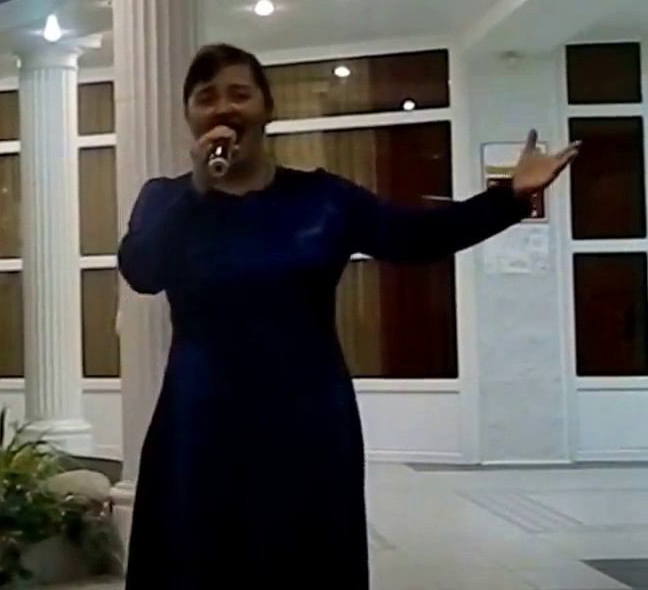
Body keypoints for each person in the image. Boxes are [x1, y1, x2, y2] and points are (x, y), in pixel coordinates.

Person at [117, 43, 578, 588]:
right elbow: (142, 269)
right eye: (206, 97)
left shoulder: (323, 199)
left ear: (268, 108)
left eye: (239, 94)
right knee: (196, 561)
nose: (224, 108)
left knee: (305, 562)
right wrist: (198, 190)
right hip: (199, 420)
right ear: (189, 116)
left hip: (307, 419)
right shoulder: (167, 200)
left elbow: (415, 236)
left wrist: (509, 198)